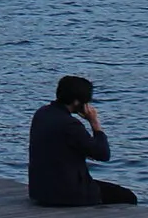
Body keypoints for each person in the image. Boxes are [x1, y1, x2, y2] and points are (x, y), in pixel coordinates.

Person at [28, 75, 136, 206]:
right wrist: (94, 123)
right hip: (68, 194)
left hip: (40, 191)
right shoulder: (70, 125)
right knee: (128, 197)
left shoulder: (41, 113)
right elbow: (103, 154)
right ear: (76, 102)